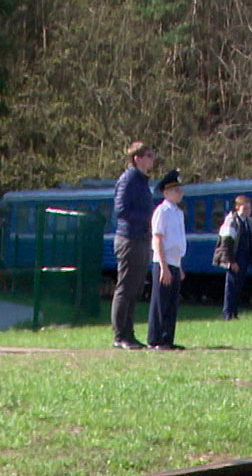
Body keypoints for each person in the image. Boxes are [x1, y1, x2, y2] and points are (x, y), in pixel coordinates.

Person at [111, 141, 156, 350]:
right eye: (149, 155)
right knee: (126, 287)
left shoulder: (143, 182)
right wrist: (147, 217)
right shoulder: (128, 179)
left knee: (135, 288)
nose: (152, 159)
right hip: (129, 239)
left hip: (141, 239)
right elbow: (121, 210)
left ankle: (129, 333)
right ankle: (120, 335)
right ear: (137, 158)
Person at [148, 169, 187, 351]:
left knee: (172, 302)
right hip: (163, 261)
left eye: (180, 189)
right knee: (160, 302)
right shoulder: (162, 211)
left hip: (175, 261)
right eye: (175, 190)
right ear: (165, 192)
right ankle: (155, 339)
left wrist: (178, 266)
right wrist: (163, 266)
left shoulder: (178, 213)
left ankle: (167, 339)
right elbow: (158, 239)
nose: (180, 193)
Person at [215, 195, 252, 321]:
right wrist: (231, 261)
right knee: (231, 286)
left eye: (249, 207)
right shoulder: (231, 221)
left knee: (238, 286)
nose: (247, 210)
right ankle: (227, 313)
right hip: (235, 258)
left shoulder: (248, 222)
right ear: (237, 207)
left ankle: (234, 312)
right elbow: (226, 243)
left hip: (244, 258)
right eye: (245, 207)